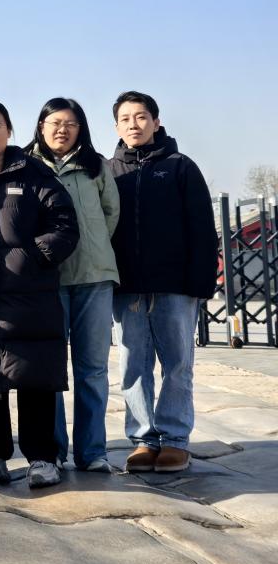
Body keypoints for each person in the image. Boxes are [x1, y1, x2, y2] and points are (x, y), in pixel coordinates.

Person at [0, 100, 78, 490]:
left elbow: (65, 225)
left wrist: (31, 257)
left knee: (35, 376)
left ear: (10, 130)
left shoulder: (34, 173)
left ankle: (41, 457)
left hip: (30, 294)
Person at [108, 92, 216, 475]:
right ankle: (142, 439)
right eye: (125, 118)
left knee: (177, 364)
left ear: (156, 122)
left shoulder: (180, 167)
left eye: (141, 117)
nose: (133, 124)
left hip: (175, 286)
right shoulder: (108, 171)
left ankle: (174, 440)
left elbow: (202, 228)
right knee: (132, 366)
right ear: (116, 126)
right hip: (127, 289)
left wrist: (201, 282)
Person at [26, 98, 120, 474]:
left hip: (94, 277)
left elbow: (111, 212)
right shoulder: (26, 165)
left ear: (81, 128)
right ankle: (53, 450)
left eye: (70, 123)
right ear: (41, 126)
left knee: (92, 369)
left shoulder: (96, 166)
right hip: (47, 280)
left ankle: (92, 451)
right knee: (49, 370)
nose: (62, 130)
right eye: (54, 122)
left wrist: (92, 246)